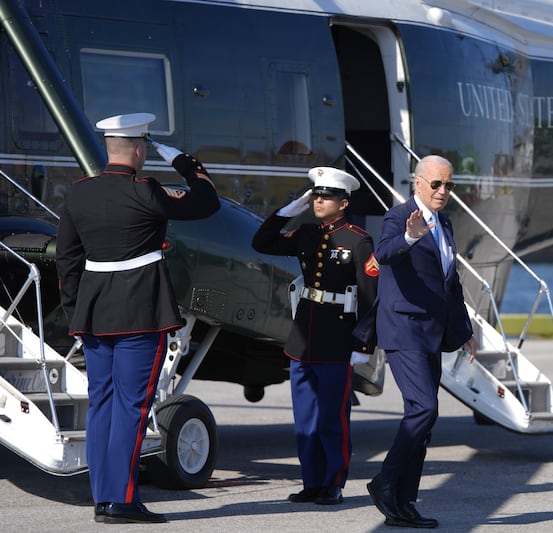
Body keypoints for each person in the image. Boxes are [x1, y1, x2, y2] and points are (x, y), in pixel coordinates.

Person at [55, 113, 220, 524]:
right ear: (140, 150)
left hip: (94, 315)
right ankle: (122, 501)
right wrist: (190, 168)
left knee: (102, 405)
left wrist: (76, 312)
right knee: (131, 407)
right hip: (139, 313)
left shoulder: (78, 193)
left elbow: (67, 260)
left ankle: (103, 497)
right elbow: (206, 203)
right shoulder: (145, 190)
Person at [251, 167, 379, 506]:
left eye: (326, 196)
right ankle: (312, 482)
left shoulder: (357, 239)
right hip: (303, 338)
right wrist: (288, 210)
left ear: (343, 202)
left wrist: (363, 344)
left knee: (331, 418)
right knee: (305, 418)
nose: (319, 200)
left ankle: (333, 483)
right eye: (316, 195)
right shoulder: (306, 233)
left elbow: (370, 296)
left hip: (337, 340)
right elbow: (261, 242)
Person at [362, 154, 478, 529]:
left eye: (449, 185)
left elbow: (451, 283)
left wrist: (464, 332)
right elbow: (383, 254)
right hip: (403, 328)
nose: (443, 191)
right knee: (423, 407)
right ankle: (385, 482)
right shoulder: (399, 217)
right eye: (436, 184)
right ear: (418, 183)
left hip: (431, 331)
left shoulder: (444, 223)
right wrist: (411, 236)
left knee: (426, 417)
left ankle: (404, 502)